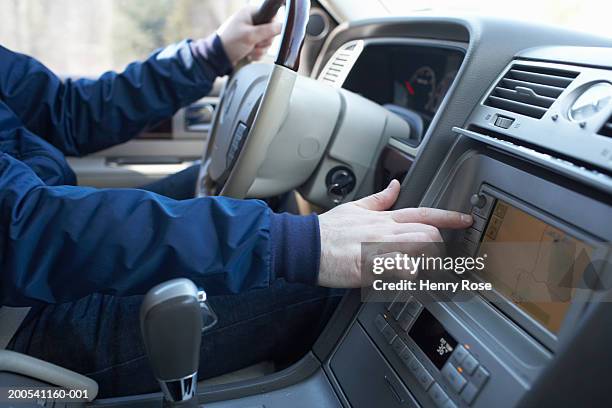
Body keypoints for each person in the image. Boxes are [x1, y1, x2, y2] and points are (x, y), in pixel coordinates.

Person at [0, 5, 473, 397]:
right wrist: (299, 244)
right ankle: (486, 279)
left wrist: (208, 57)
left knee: (266, 189)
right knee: (334, 278)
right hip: (22, 330)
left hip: (37, 257)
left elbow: (64, 110)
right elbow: (22, 229)